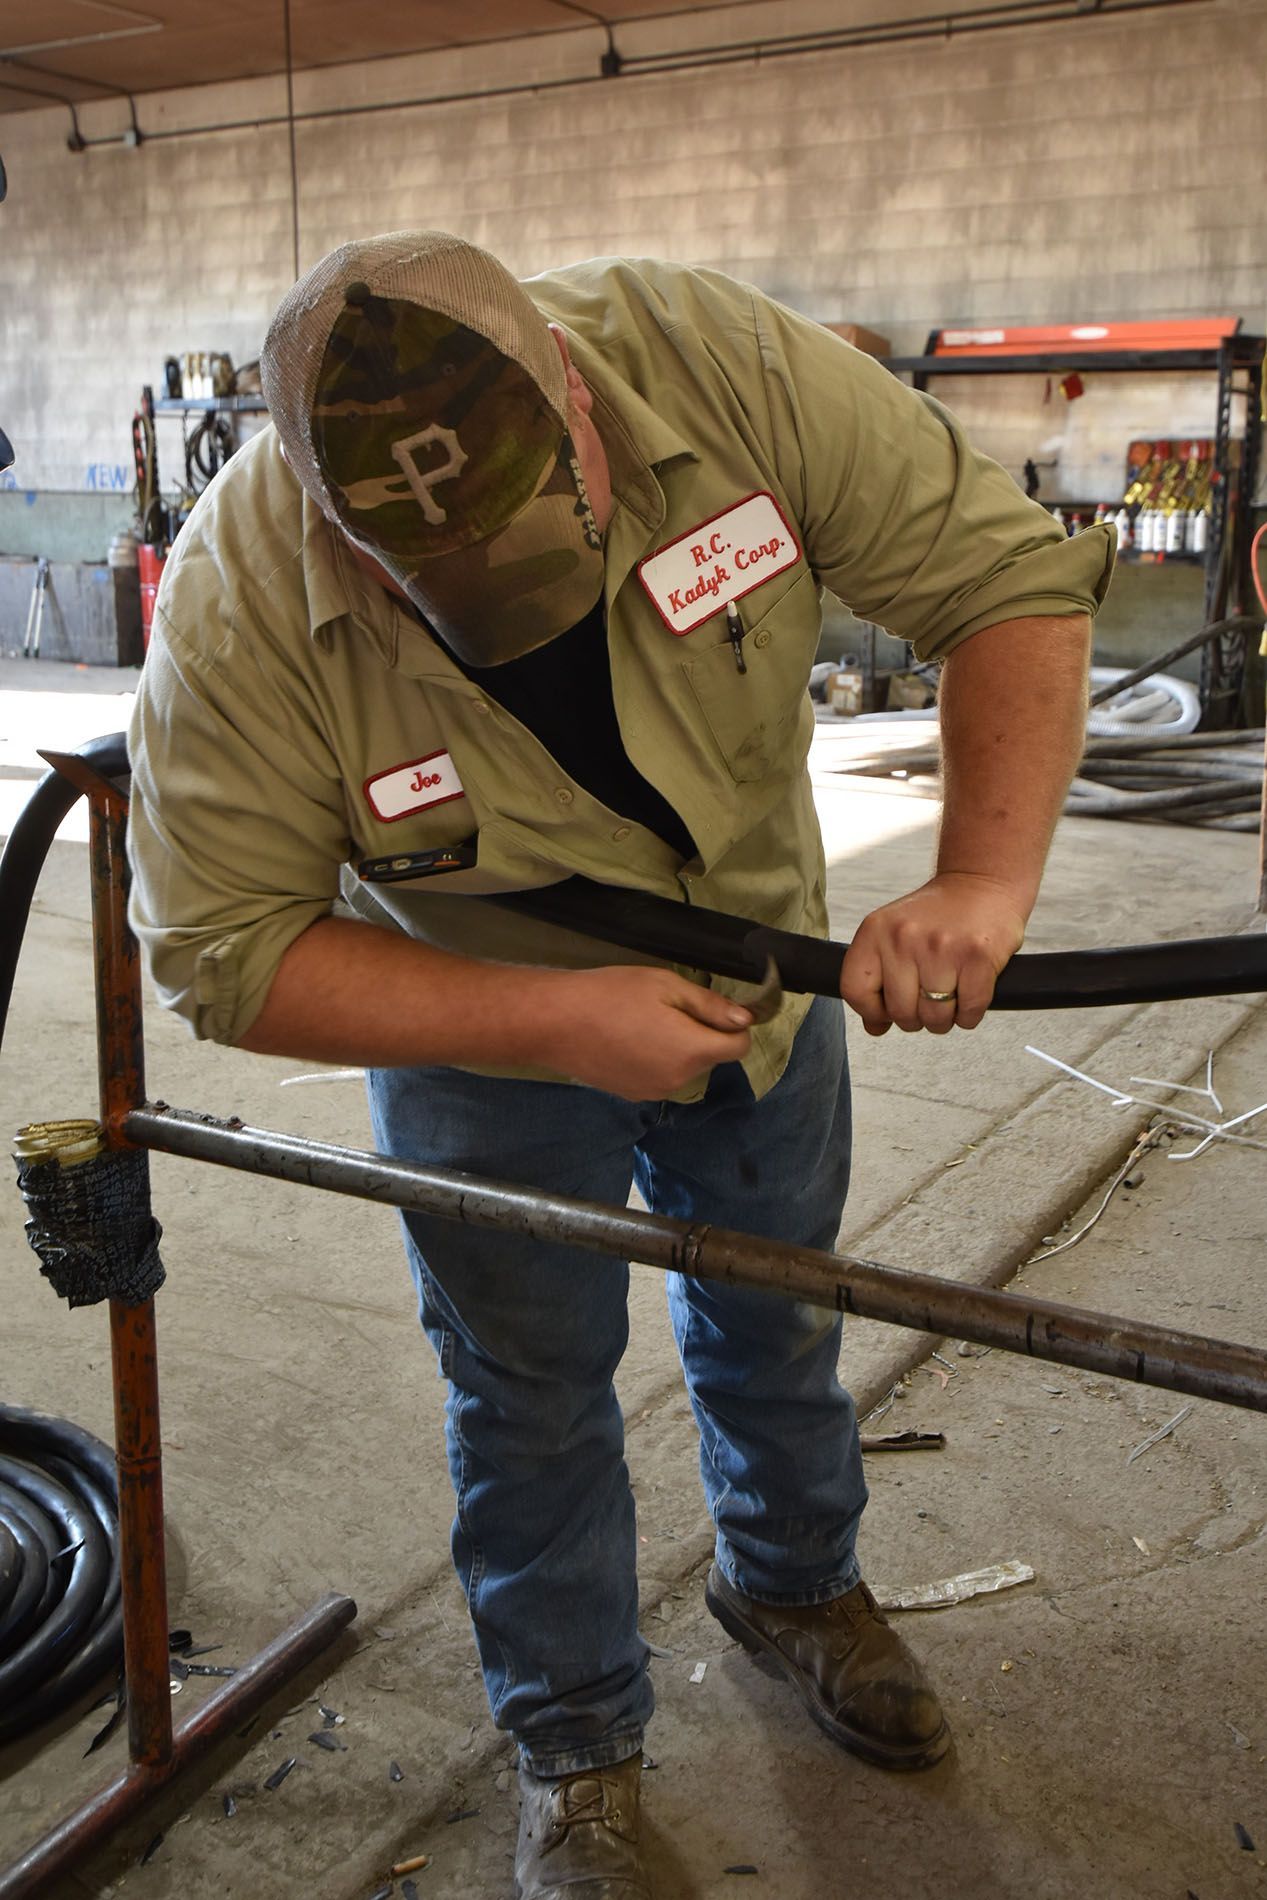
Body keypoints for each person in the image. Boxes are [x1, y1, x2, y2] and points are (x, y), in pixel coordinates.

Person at [127, 230, 1112, 1899]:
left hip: (762, 969)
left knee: (779, 1306)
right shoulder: (242, 599)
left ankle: (792, 1584)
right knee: (524, 1395)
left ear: (580, 405)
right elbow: (221, 944)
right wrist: (549, 1023)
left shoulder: (714, 363)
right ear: (337, 523)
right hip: (476, 1016)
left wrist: (976, 883)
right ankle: (576, 1744)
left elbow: (1004, 578)